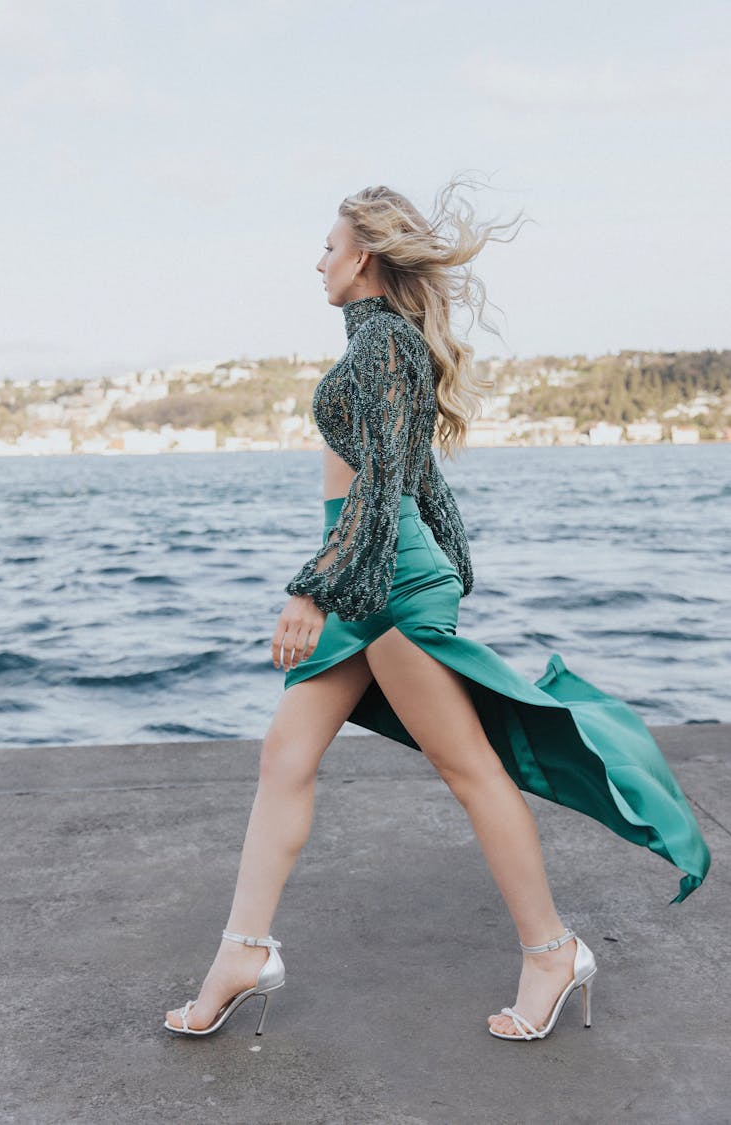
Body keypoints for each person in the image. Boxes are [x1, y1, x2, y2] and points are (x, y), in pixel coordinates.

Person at [164, 178, 710, 1043]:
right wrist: (444, 563)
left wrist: (313, 584)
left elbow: (382, 489)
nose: (318, 261)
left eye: (329, 246)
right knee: (286, 753)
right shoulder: (382, 348)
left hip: (377, 578)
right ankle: (242, 950)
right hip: (375, 573)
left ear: (364, 255)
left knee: (469, 770)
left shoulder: (383, 349)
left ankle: (552, 950)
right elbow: (414, 479)